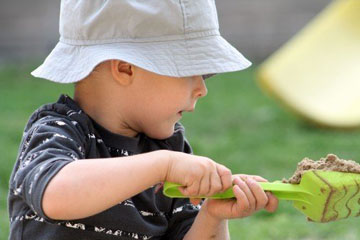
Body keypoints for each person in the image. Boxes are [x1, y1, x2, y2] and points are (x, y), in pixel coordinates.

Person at [8, 1, 278, 239]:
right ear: (125, 68)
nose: (202, 89)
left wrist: (213, 214)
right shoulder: (59, 130)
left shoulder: (170, 151)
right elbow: (56, 196)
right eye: (191, 71)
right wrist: (162, 166)